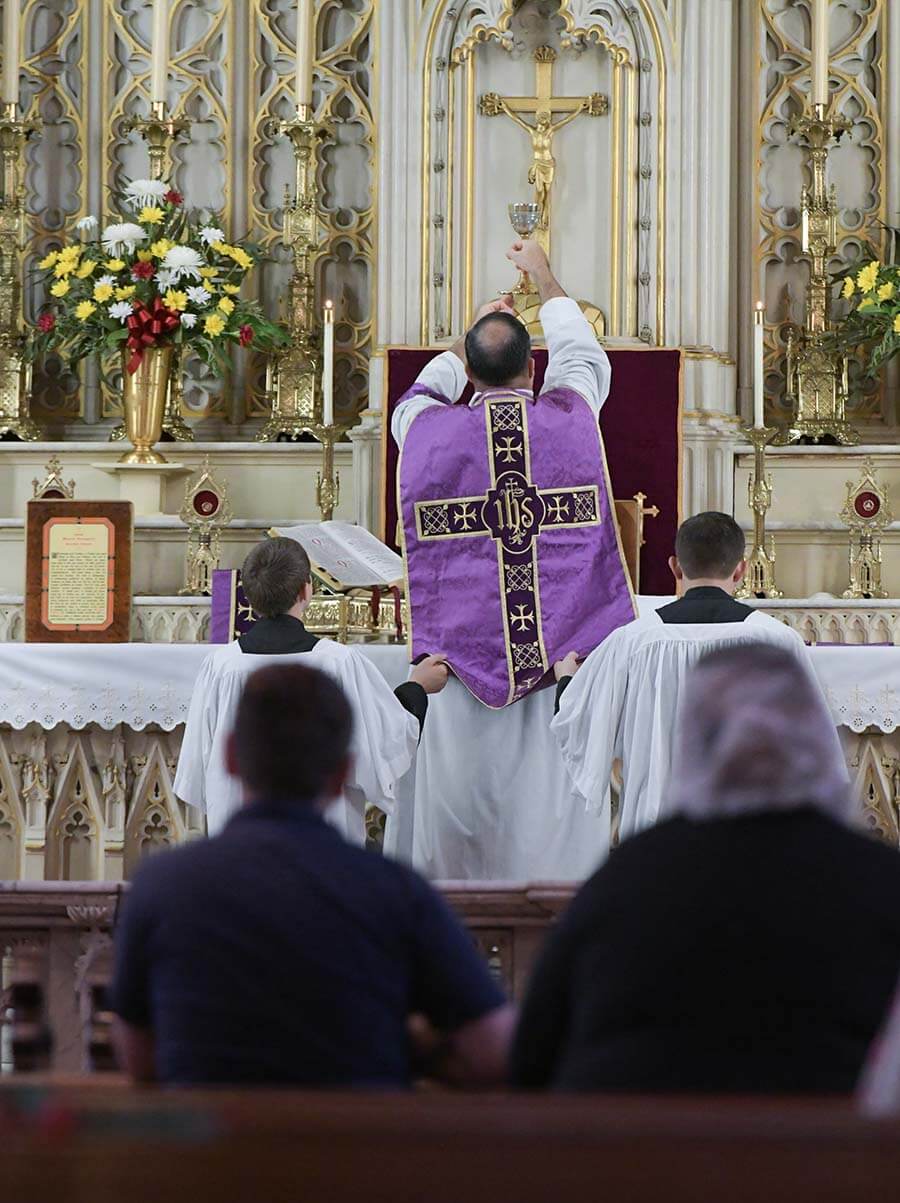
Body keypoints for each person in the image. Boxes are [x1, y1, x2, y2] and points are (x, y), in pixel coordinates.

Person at [513, 644, 900, 1094]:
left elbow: (533, 1055)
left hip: (639, 1151)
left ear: (695, 742)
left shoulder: (628, 876)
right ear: (815, 740)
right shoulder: (880, 880)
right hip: (834, 1155)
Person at [112, 664, 514, 1088]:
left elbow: (137, 1056)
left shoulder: (163, 885)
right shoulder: (395, 891)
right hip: (354, 1146)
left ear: (229, 756)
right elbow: (493, 1049)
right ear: (344, 770)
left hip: (213, 1145)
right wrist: (413, 1049)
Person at [390, 240, 635, 880]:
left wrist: (468, 334)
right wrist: (544, 275)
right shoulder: (571, 415)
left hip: (455, 677)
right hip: (558, 672)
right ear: (534, 370)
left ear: (468, 373)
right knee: (546, 826)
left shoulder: (424, 429)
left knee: (458, 829)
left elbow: (417, 394)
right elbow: (584, 356)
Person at [550, 511, 833, 848]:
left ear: (676, 567)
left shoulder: (634, 640)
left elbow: (577, 722)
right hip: (751, 832)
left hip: (656, 833)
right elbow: (811, 743)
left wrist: (566, 680)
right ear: (741, 570)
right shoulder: (777, 640)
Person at [174, 537, 448, 840]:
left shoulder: (220, 667)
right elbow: (383, 740)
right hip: (325, 850)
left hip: (242, 854)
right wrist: (417, 688)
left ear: (248, 595)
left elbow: (196, 773)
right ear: (308, 590)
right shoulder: (340, 663)